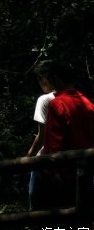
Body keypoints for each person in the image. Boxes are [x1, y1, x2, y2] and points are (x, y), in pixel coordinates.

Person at [32, 59, 94, 210]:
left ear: (53, 78)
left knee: (46, 219)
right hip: (86, 172)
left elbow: (54, 146)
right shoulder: (86, 102)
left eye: (41, 78)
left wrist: (52, 175)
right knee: (81, 220)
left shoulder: (57, 104)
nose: (40, 82)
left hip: (64, 173)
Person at [26, 67, 55, 208]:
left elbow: (42, 136)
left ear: (45, 78)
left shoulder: (44, 100)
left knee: (37, 202)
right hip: (70, 160)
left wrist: (29, 155)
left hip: (45, 159)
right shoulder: (77, 99)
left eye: (39, 78)